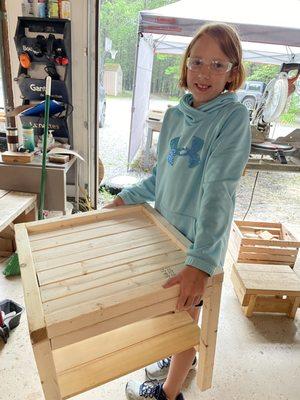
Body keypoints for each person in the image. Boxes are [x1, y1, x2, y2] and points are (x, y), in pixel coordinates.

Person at [105, 22, 251, 400]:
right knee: (167, 316)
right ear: (185, 64)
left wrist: (201, 264)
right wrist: (126, 197)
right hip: (164, 233)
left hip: (197, 246)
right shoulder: (173, 116)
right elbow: (160, 177)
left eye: (218, 65)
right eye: (198, 61)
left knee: (183, 325)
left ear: (233, 73)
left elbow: (218, 193)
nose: (204, 73)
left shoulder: (232, 120)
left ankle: (169, 393)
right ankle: (175, 360)